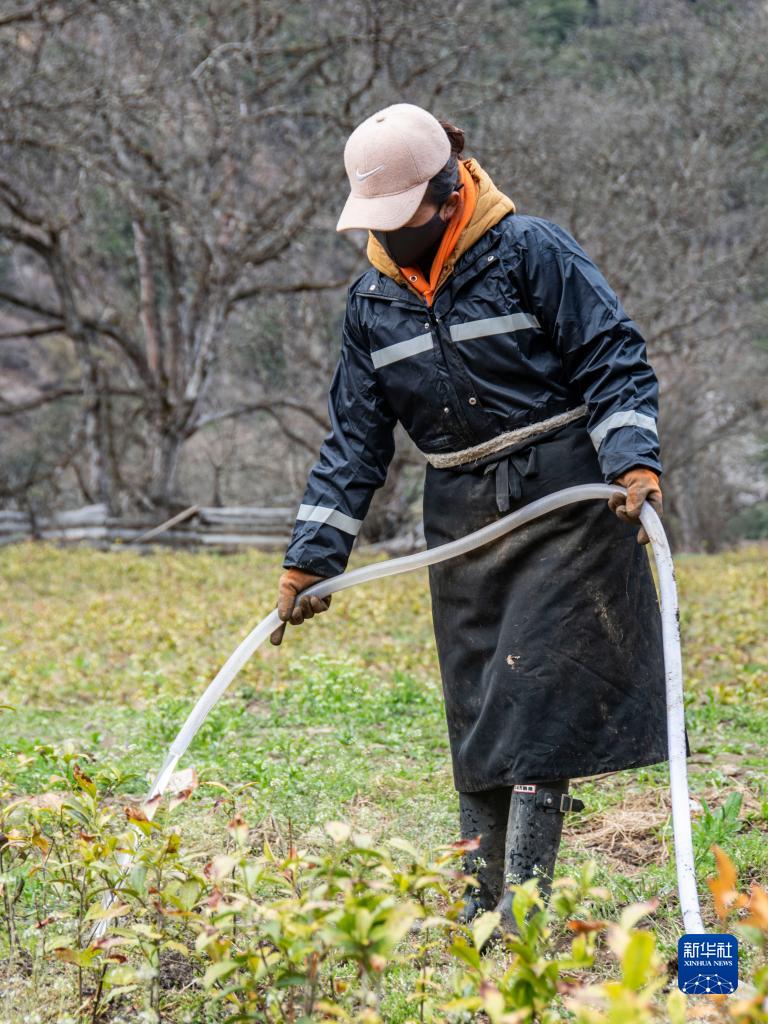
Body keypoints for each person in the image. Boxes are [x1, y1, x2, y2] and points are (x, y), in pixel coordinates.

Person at [270, 102, 685, 939]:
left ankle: (521, 913)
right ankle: (476, 904)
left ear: (450, 189)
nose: (391, 237)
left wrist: (632, 459)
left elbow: (611, 356)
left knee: (535, 701)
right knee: (480, 704)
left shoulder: (529, 251)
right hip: (461, 516)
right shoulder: (371, 302)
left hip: (563, 500)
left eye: (404, 217)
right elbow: (354, 441)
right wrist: (311, 557)